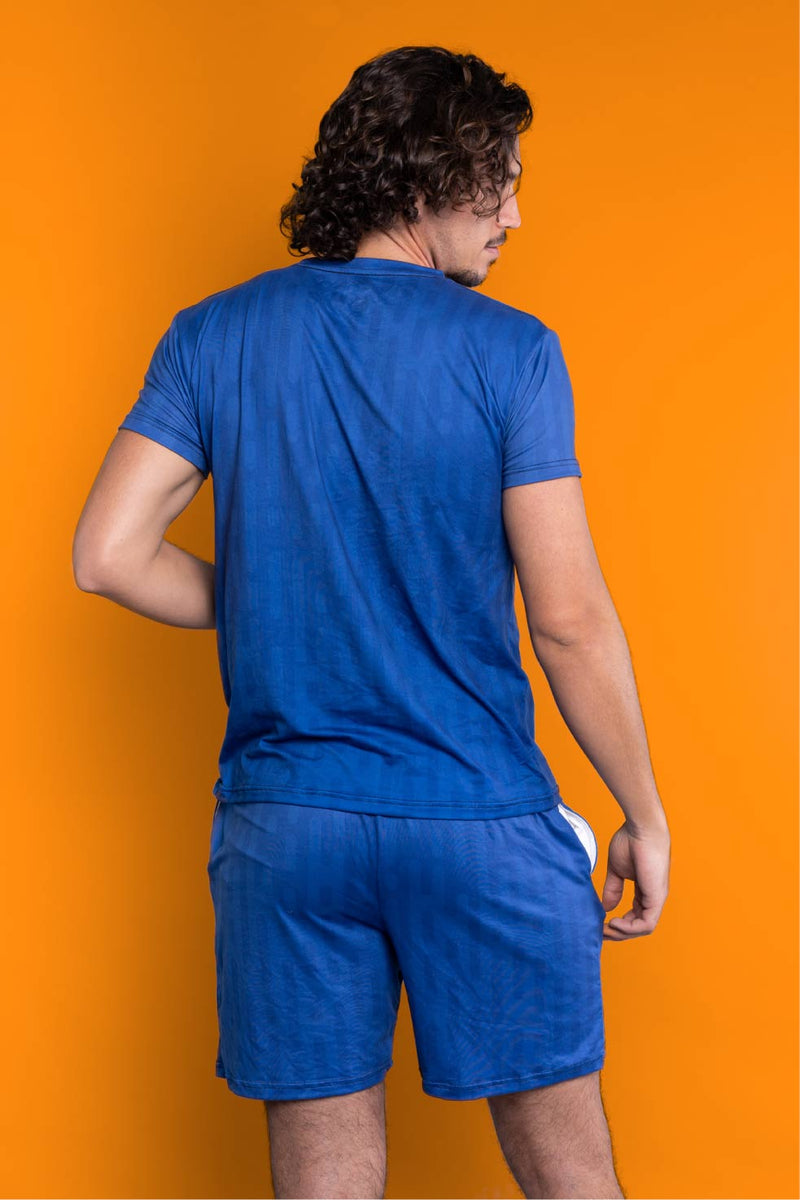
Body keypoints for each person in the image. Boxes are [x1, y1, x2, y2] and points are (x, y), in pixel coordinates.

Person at [73, 43, 670, 1200]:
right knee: (570, 1180)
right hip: (477, 818)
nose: (512, 215)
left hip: (286, 829)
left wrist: (274, 592)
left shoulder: (212, 333)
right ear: (422, 178)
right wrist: (640, 812)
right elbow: (567, 621)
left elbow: (106, 556)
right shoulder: (512, 352)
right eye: (496, 182)